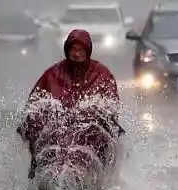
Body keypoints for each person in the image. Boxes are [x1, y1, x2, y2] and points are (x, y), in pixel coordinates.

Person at [17, 29, 121, 178]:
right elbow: (35, 101)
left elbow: (111, 104)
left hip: (87, 133)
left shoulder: (101, 74)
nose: (76, 54)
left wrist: (95, 114)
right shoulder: (53, 74)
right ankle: (39, 169)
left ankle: (100, 177)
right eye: (73, 49)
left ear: (88, 51)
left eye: (80, 50)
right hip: (58, 130)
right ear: (67, 50)